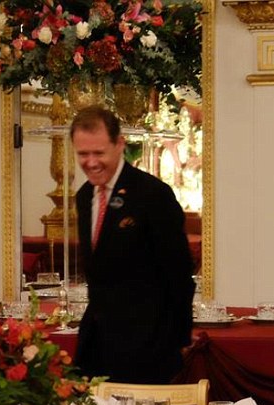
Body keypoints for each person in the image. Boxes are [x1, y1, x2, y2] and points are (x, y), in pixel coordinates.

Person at [69, 106, 195, 384]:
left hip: (147, 346)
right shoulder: (84, 196)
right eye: (83, 154)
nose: (91, 162)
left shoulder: (152, 195)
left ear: (120, 145)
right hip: (97, 347)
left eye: (99, 153)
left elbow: (179, 273)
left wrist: (179, 338)